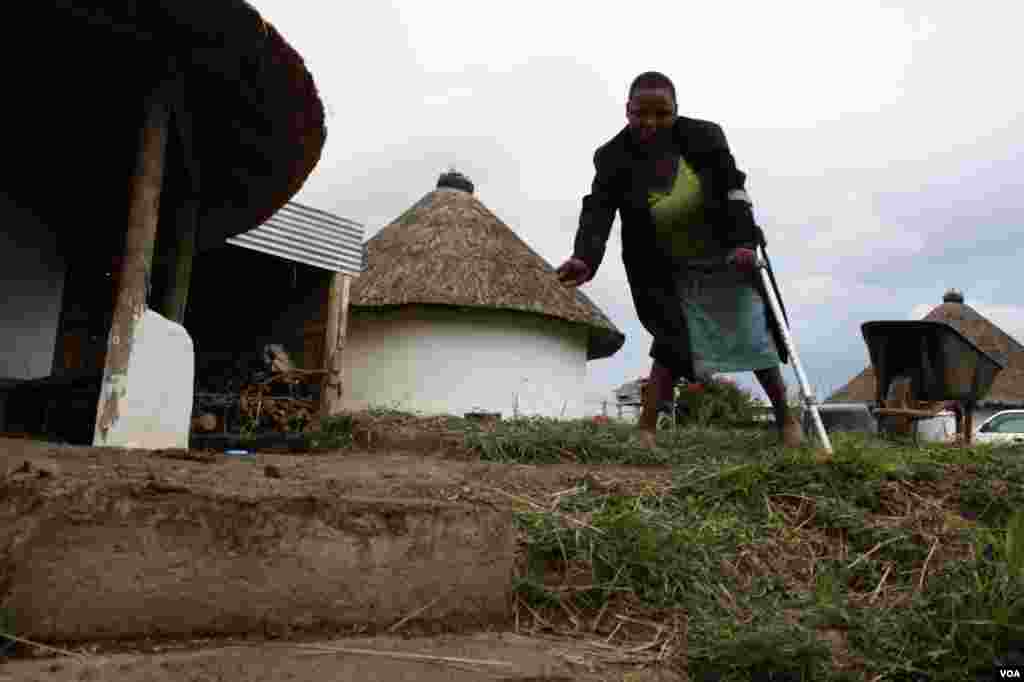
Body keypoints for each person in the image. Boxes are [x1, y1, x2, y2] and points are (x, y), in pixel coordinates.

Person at [556, 71, 803, 449]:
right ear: (627, 110)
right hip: (661, 265)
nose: (651, 123)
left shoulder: (705, 137)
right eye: (641, 114)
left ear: (676, 110)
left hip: (724, 255)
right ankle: (646, 433)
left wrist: (742, 242)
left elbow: (733, 188)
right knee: (671, 340)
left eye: (662, 113)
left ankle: (788, 423)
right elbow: (599, 209)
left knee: (751, 331)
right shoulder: (612, 156)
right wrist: (585, 257)